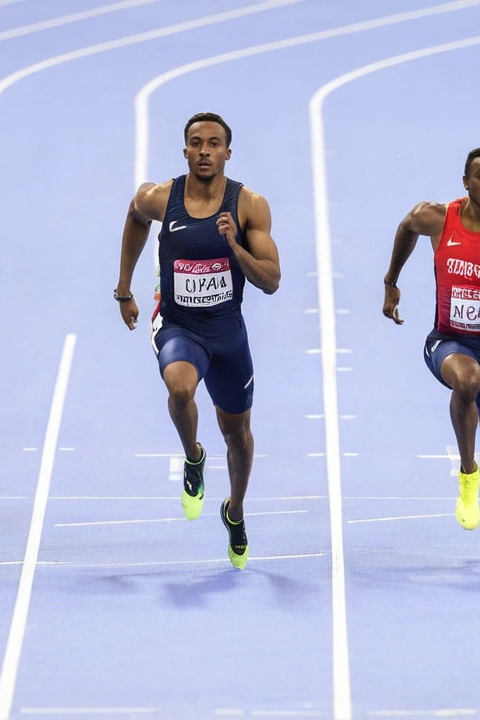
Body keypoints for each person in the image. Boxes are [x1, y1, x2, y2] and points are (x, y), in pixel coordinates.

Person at [114, 111, 281, 569]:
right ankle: (192, 458)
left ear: (228, 152)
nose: (204, 151)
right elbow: (134, 216)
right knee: (181, 387)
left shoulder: (249, 206)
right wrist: (124, 288)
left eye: (213, 144)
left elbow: (271, 281)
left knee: (239, 436)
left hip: (227, 335)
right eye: (195, 143)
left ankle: (236, 510)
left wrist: (235, 247)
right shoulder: (160, 197)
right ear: (185, 150)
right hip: (179, 325)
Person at [381, 146, 480, 561]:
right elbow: (406, 226)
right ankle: (468, 474)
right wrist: (391, 282)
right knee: (467, 380)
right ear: (466, 181)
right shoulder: (439, 217)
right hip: (446, 340)